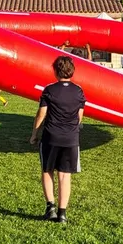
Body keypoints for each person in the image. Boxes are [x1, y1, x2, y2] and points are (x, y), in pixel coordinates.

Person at [30, 55, 86, 223]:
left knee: (47, 171)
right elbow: (80, 116)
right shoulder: (79, 91)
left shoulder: (49, 90)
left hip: (51, 137)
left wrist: (34, 134)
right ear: (72, 71)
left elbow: (41, 114)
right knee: (64, 175)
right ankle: (62, 213)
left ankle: (50, 208)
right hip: (71, 139)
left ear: (55, 71)